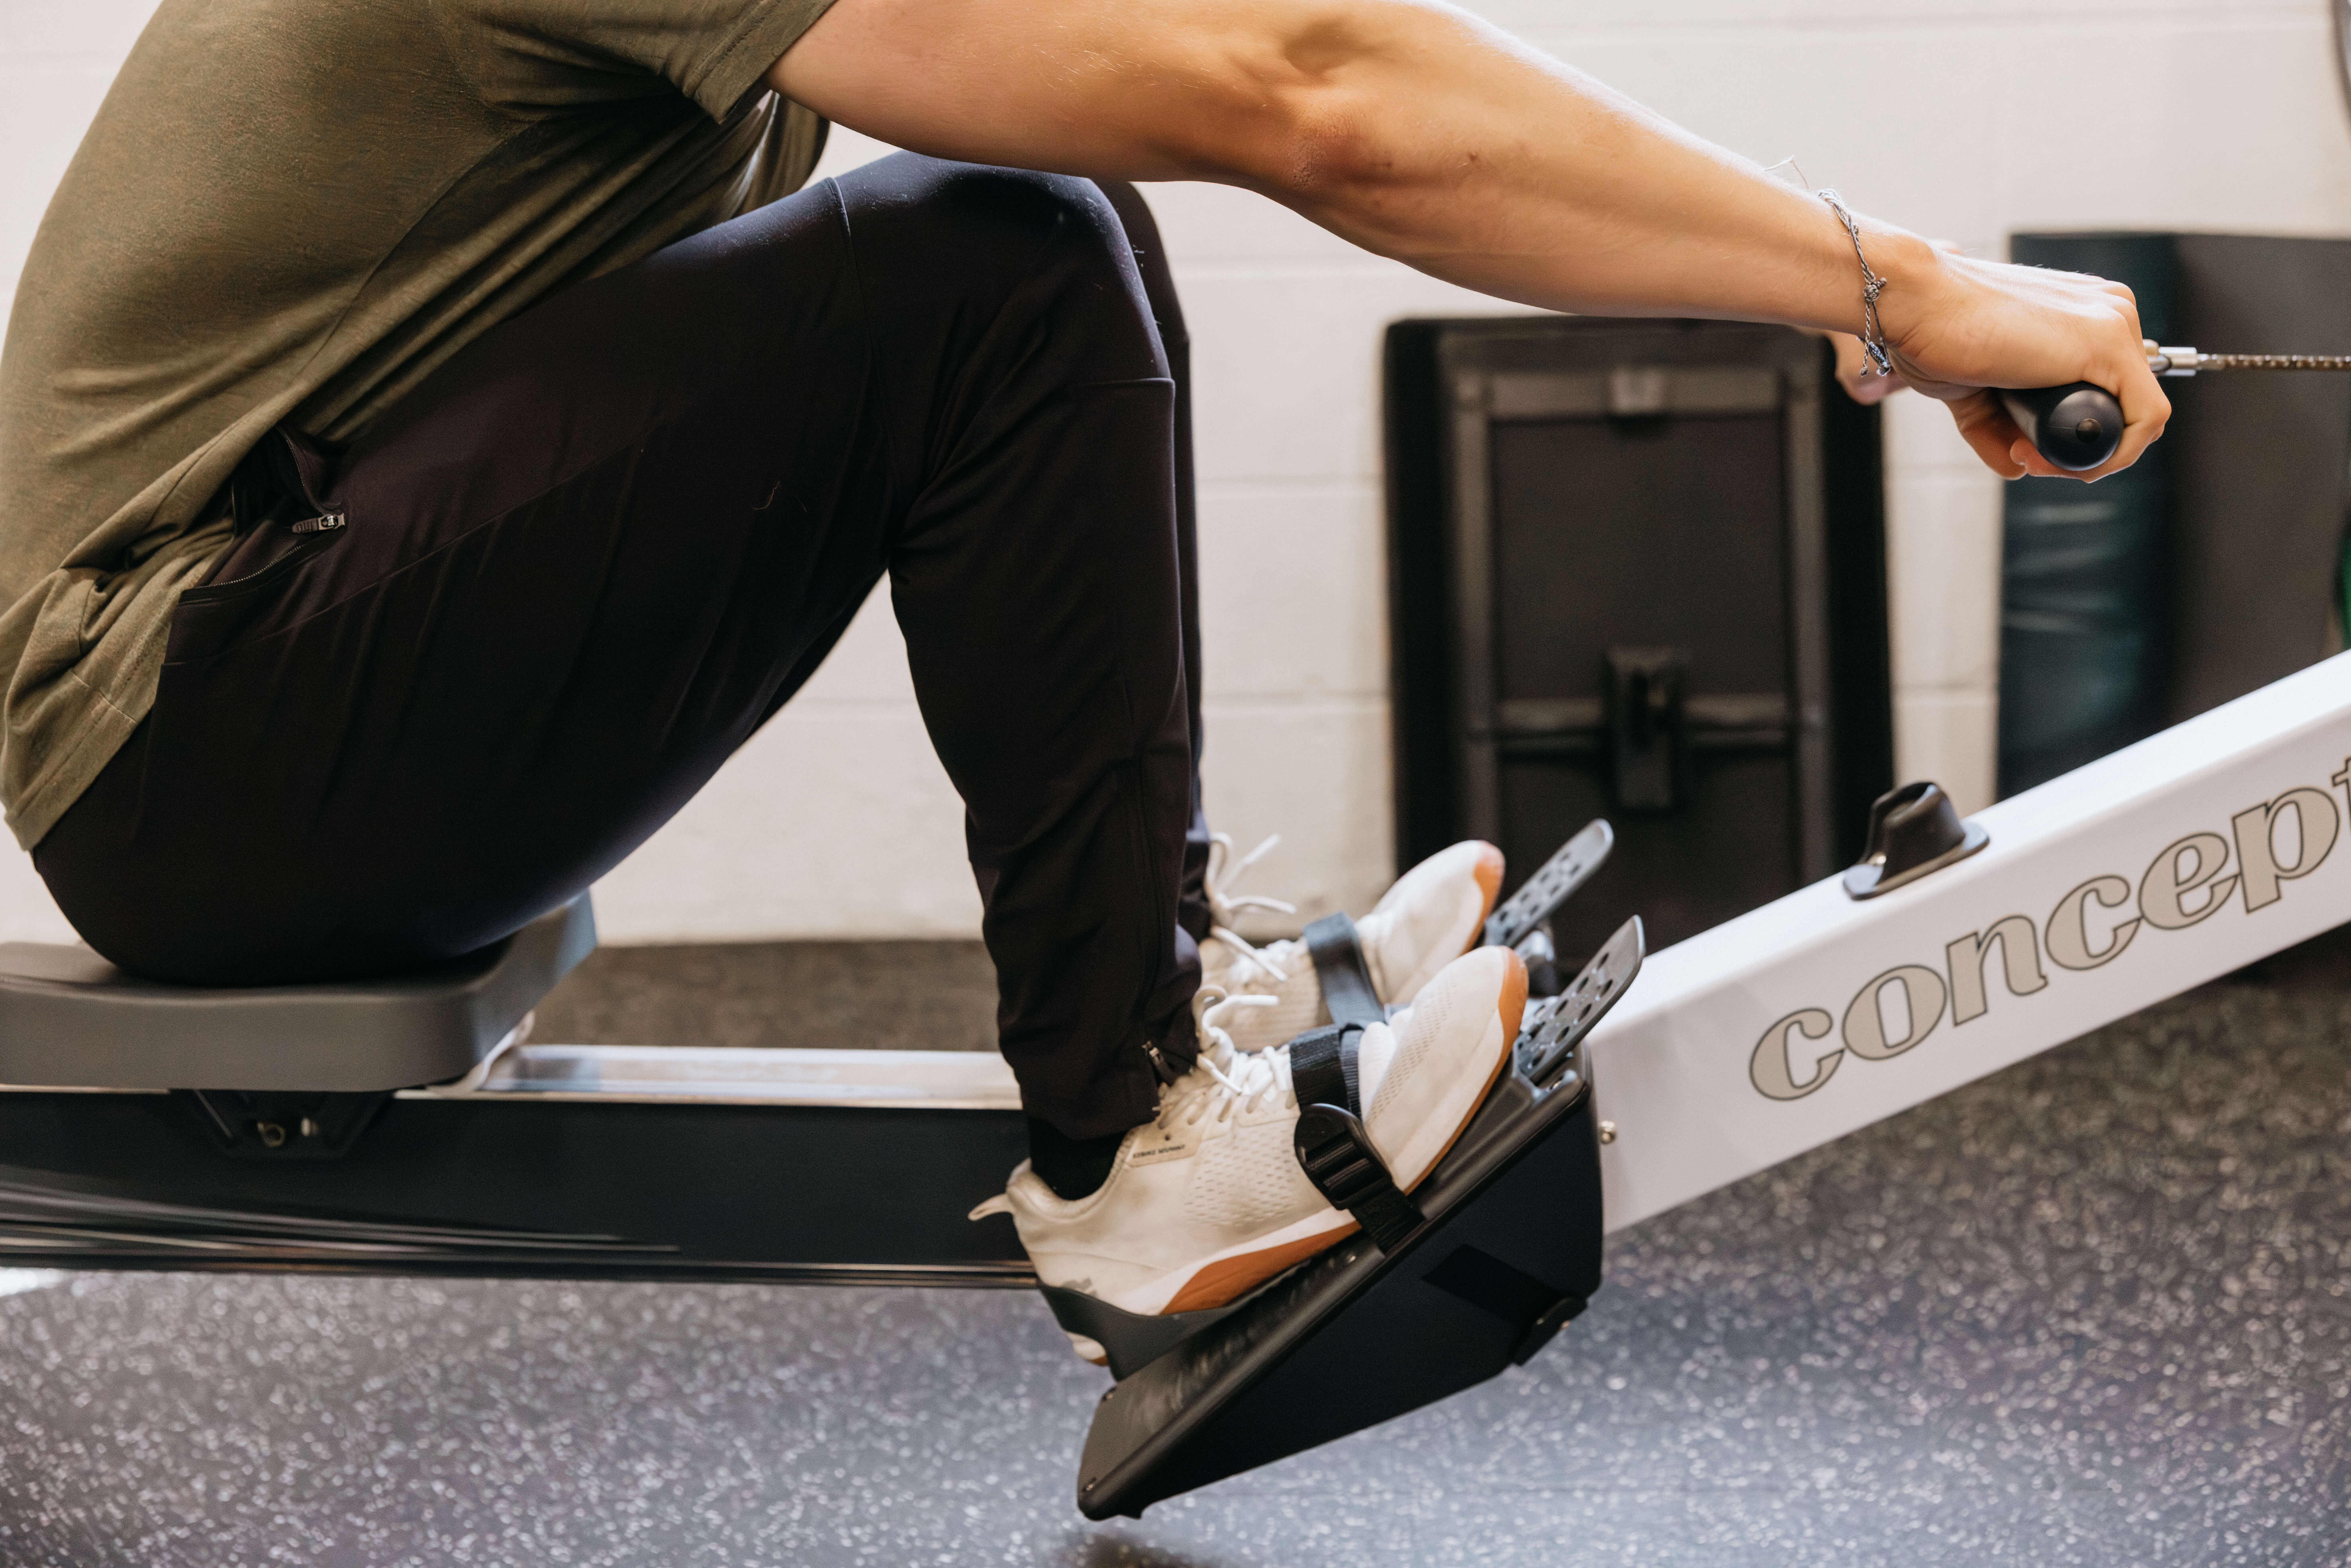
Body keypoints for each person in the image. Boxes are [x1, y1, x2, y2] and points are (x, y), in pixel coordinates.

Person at [0, 0, 2163, 1352]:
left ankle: (1152, 992)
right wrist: (1909, 284)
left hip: (260, 681)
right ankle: (1140, 1145)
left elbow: (1333, 72)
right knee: (1008, 260)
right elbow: (1323, 99)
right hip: (188, 724)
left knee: (1050, 216)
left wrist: (1867, 294)